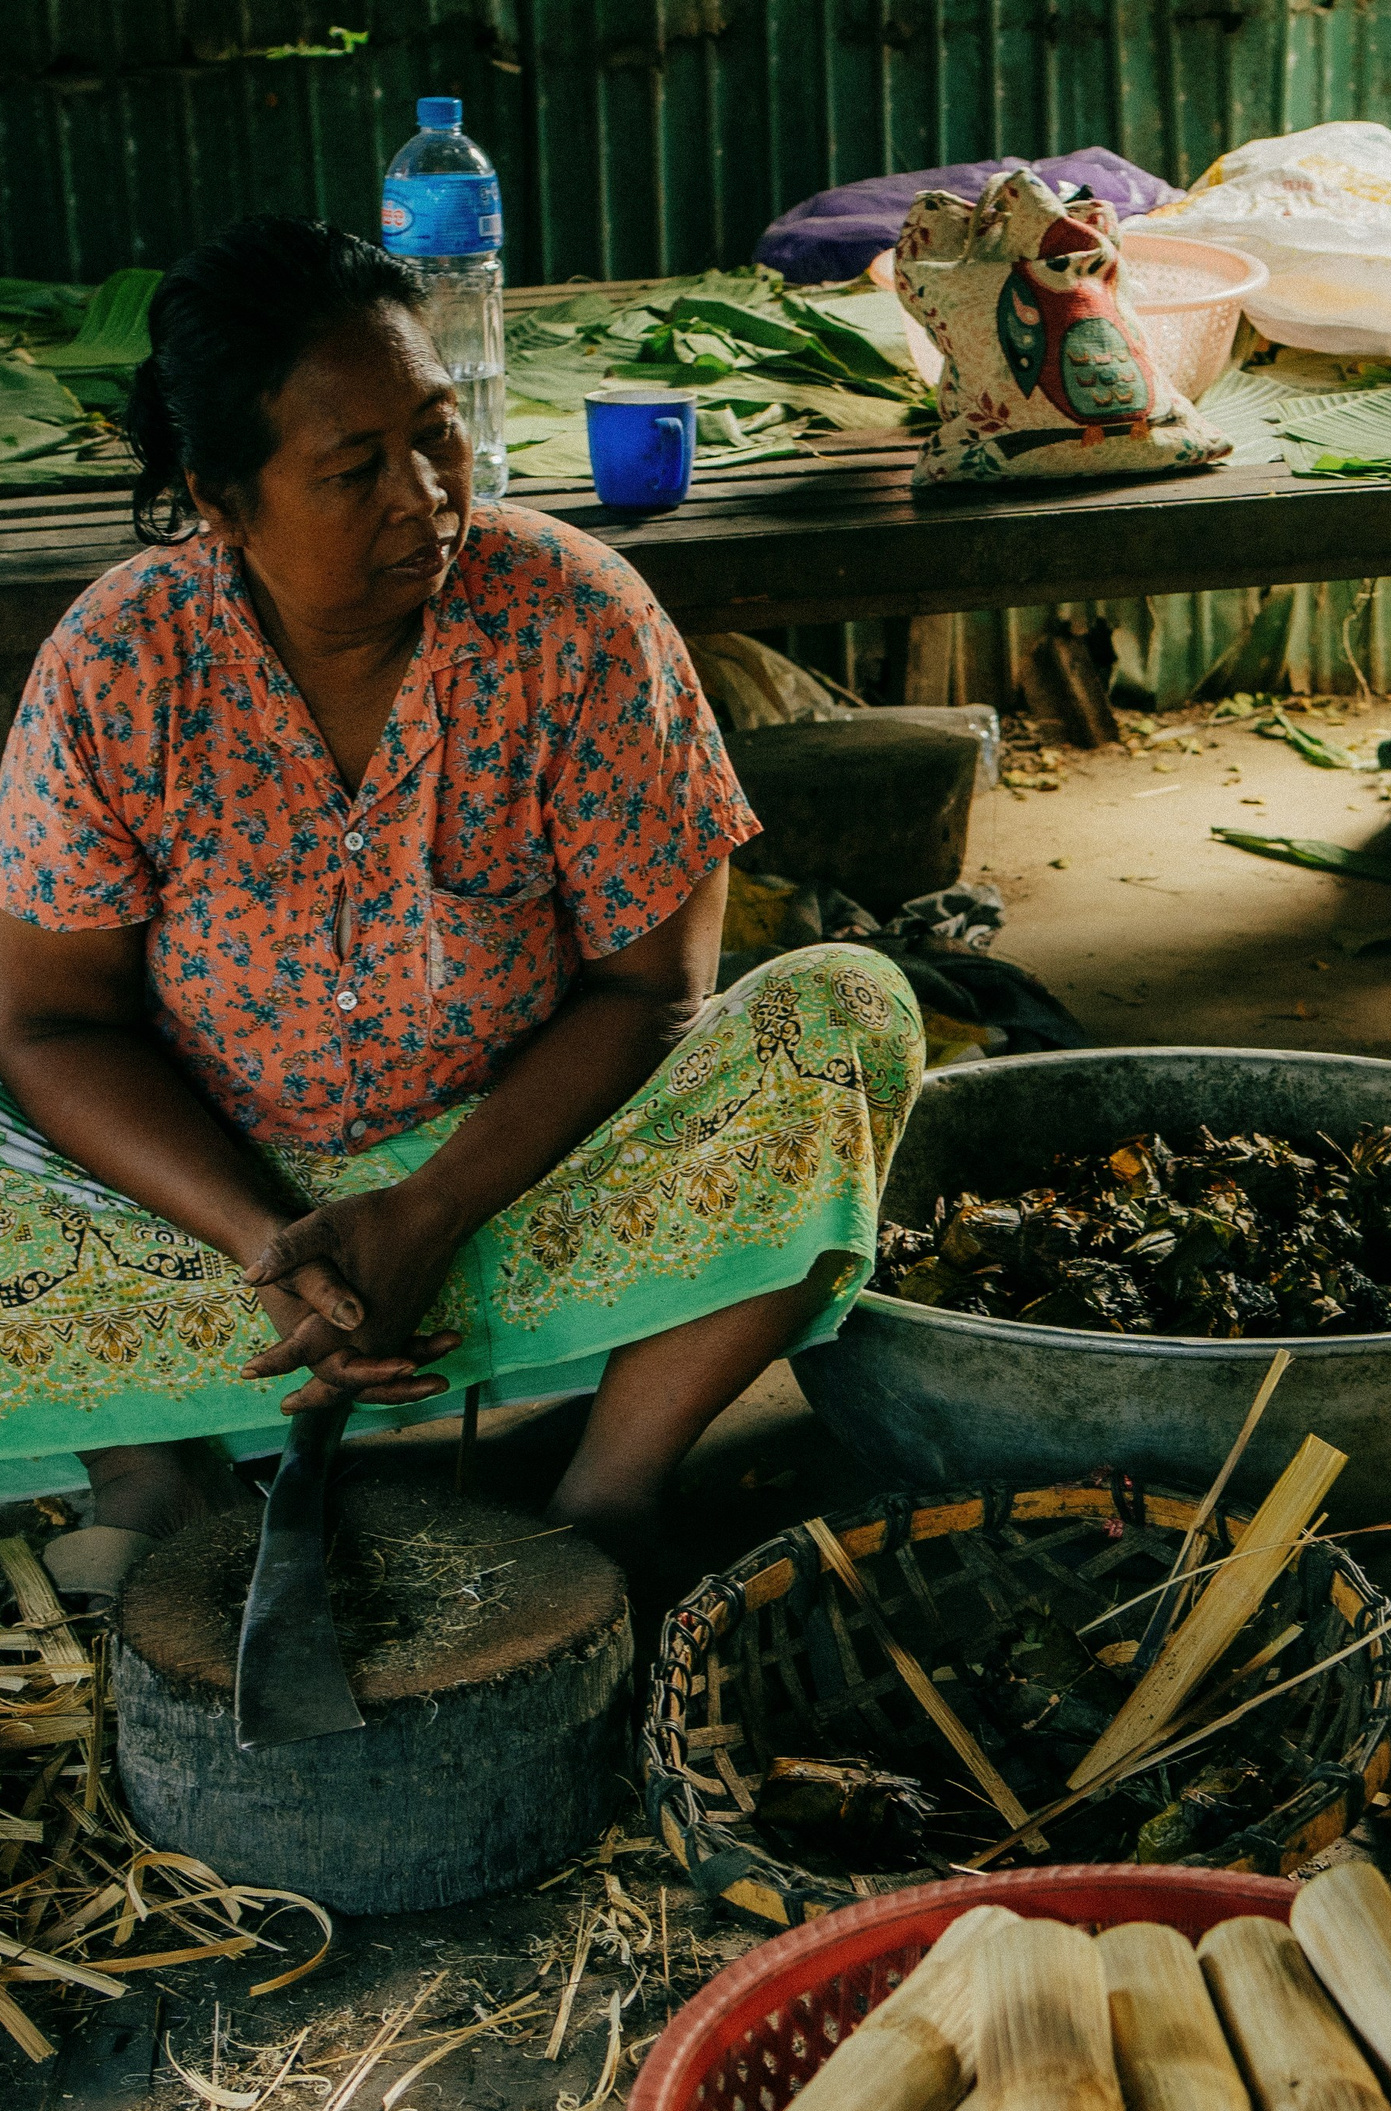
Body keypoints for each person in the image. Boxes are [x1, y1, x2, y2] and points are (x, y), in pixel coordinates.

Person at [0, 216, 923, 1607]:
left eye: (436, 434)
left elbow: (651, 989)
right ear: (222, 501)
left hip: (512, 1177)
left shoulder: (573, 615)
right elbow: (55, 1022)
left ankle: (609, 1493)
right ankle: (148, 1466)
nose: (426, 496)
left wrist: (430, 1209)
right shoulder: (119, 664)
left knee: (845, 1012)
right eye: (352, 469)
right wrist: (263, 1241)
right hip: (196, 1213)